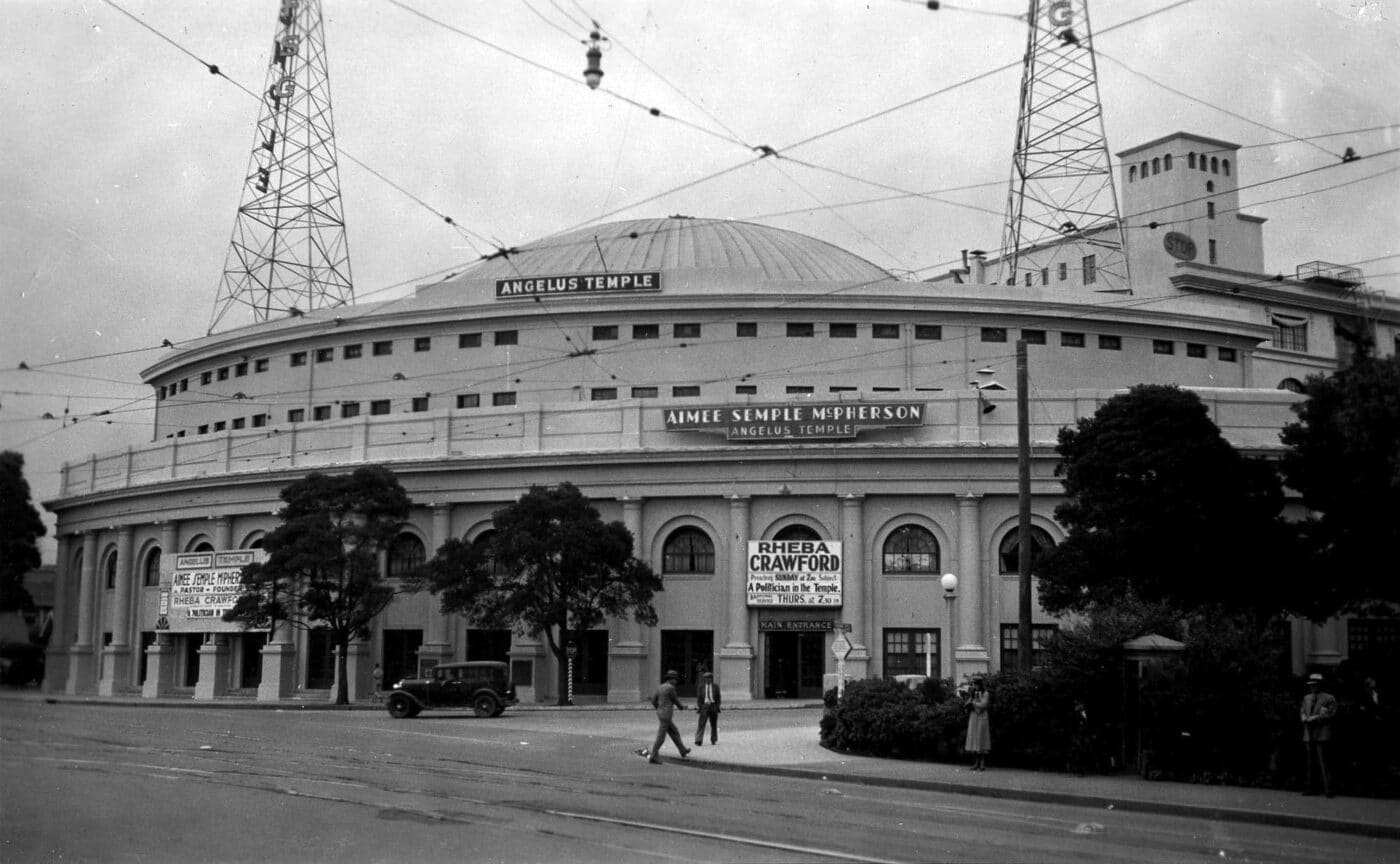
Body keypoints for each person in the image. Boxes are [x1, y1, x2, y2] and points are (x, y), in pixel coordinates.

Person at [1300, 672, 1337, 797]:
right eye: (1311, 685)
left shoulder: (1329, 698)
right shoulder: (1307, 698)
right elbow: (1303, 710)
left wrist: (1315, 718)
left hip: (1322, 734)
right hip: (1309, 734)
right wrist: (1304, 717)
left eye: (1315, 685)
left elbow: (1329, 714)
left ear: (1320, 685)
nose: (1313, 687)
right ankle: (1310, 789)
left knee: (1324, 762)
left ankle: (1329, 790)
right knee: (1310, 762)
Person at [648, 669, 691, 764]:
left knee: (674, 731)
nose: (676, 681)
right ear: (671, 679)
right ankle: (653, 755)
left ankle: (682, 750)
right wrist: (682, 707)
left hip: (661, 714)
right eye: (675, 679)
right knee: (661, 736)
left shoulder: (660, 687)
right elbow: (675, 700)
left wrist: (659, 709)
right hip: (666, 715)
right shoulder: (670, 688)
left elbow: (653, 701)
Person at [964, 676, 991, 771]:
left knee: (981, 739)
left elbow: (984, 704)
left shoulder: (985, 693)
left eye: (975, 684)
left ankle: (982, 763)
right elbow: (968, 703)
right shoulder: (972, 693)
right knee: (974, 739)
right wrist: (968, 704)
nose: (974, 686)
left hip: (982, 718)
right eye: (973, 684)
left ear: (979, 684)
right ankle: (976, 762)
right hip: (973, 717)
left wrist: (974, 703)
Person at [695, 670, 721, 746]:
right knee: (701, 723)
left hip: (713, 706)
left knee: (713, 724)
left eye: (709, 678)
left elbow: (718, 697)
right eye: (706, 678)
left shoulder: (715, 686)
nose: (707, 680)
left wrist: (717, 706)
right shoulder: (701, 687)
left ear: (711, 679)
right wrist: (700, 707)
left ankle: (713, 739)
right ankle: (698, 740)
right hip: (705, 706)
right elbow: (699, 698)